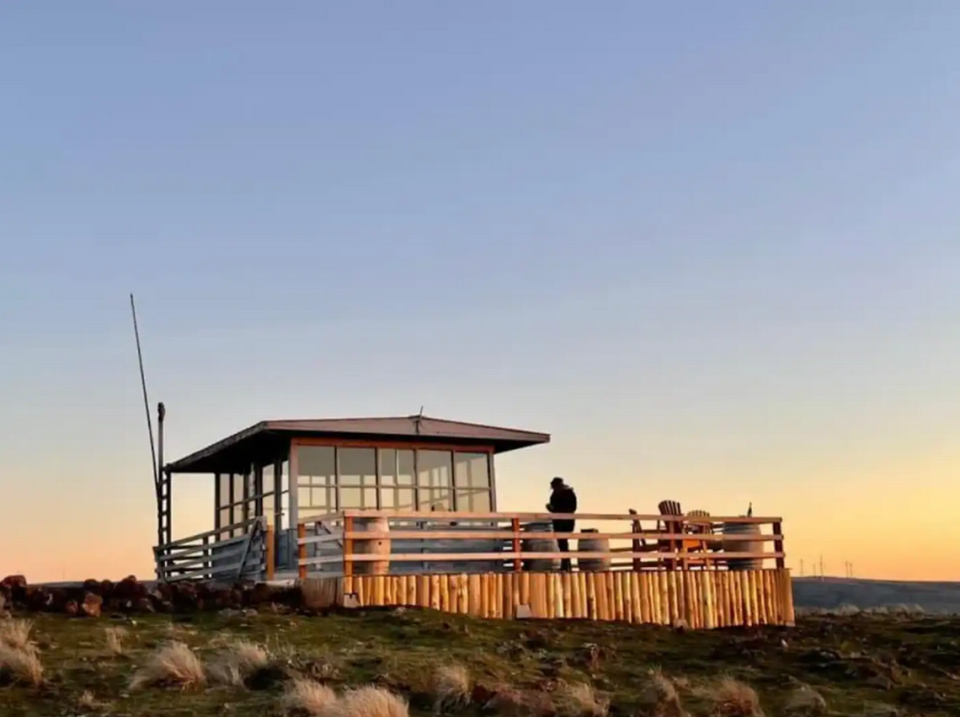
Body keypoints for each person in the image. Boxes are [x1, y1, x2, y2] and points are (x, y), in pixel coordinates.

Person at [546, 477, 577, 571]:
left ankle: (566, 565)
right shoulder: (566, 493)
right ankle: (567, 564)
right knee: (563, 543)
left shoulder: (565, 494)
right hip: (562, 521)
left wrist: (553, 509)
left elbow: (571, 507)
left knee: (563, 543)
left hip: (563, 521)